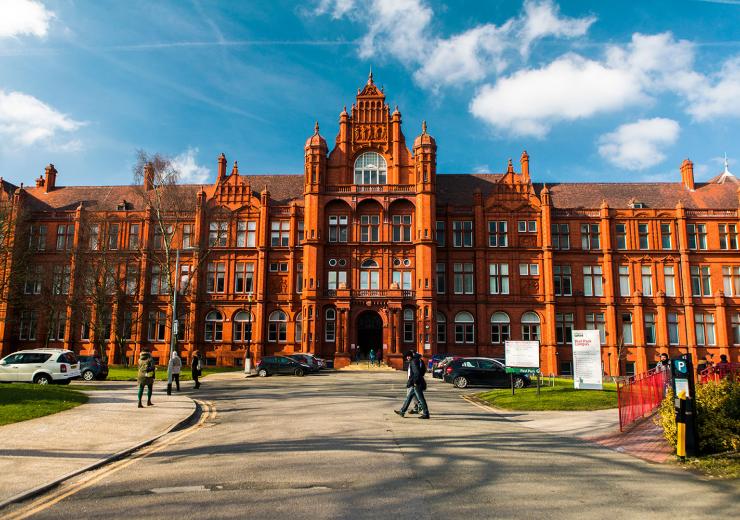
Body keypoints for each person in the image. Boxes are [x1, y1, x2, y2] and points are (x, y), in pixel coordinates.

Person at [395, 350, 430, 419]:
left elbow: (416, 373)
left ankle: (426, 413)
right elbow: (421, 371)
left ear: (411, 355)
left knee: (421, 399)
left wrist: (414, 382)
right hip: (416, 382)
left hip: (416, 383)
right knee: (409, 397)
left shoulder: (413, 361)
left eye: (408, 356)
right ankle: (402, 411)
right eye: (406, 357)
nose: (407, 358)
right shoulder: (416, 360)